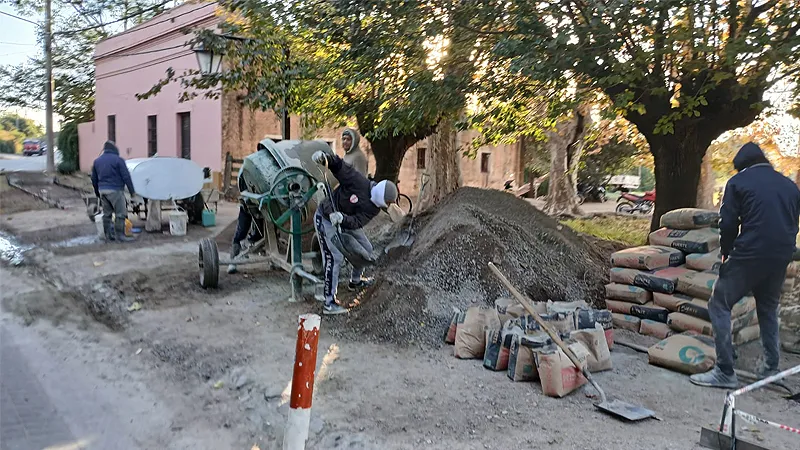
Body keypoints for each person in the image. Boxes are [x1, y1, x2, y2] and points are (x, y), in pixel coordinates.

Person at [690, 143, 800, 388]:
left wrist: (727, 253)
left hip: (750, 253)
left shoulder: (738, 183)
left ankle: (725, 372)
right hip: (781, 256)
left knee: (719, 303)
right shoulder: (789, 186)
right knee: (768, 308)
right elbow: (793, 224)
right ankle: (771, 370)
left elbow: (727, 223)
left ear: (742, 167)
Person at [312, 150, 398, 315]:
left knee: (366, 249)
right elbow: (339, 165)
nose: (387, 205)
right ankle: (329, 302)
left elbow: (358, 222)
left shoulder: (374, 208)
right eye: (388, 201)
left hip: (343, 221)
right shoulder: (358, 182)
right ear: (382, 195)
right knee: (334, 257)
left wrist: (343, 219)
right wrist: (325, 158)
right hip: (325, 217)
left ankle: (355, 281)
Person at [91, 140, 136, 242]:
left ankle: (108, 236)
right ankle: (120, 236)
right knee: (120, 213)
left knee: (107, 214)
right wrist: (132, 191)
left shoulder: (97, 161)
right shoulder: (118, 160)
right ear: (114, 148)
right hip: (115, 190)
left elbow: (94, 179)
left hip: (102, 191)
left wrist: (97, 192)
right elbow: (126, 176)